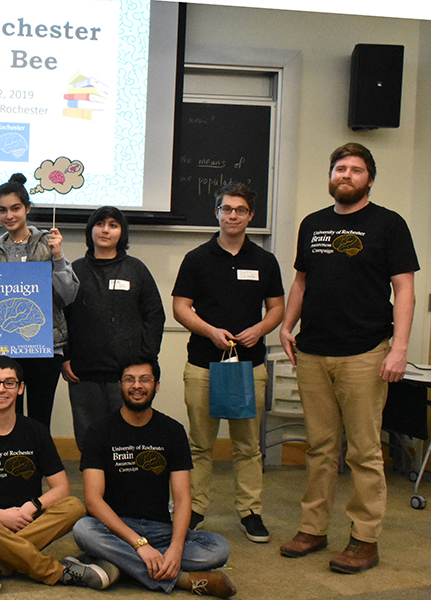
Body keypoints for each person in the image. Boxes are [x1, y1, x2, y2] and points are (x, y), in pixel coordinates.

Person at [278, 143, 419, 573]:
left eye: (356, 170)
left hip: (365, 352)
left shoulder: (389, 224)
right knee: (320, 447)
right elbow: (301, 282)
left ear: (369, 179)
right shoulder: (313, 224)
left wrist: (399, 349)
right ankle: (313, 528)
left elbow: (405, 290)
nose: (346, 175)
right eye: (340, 168)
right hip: (314, 351)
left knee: (362, 451)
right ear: (331, 175)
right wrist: (287, 325)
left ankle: (364, 539)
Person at [171, 182, 284, 541]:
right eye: (226, 209)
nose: (232, 215)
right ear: (216, 213)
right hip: (204, 364)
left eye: (240, 210)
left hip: (249, 367)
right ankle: (196, 509)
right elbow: (180, 307)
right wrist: (209, 331)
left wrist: (260, 329)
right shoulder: (196, 259)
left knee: (248, 447)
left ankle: (251, 512)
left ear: (251, 215)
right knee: (200, 445)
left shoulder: (264, 261)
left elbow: (277, 308)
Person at [71, 357, 237, 598]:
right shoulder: (98, 431)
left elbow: (182, 499)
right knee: (83, 529)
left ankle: (118, 563)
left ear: (156, 385)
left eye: (145, 379)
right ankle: (180, 579)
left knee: (219, 548)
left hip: (160, 530)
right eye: (129, 379)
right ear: (120, 385)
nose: (137, 385)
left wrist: (176, 549)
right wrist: (140, 545)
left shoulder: (172, 431)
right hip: (115, 528)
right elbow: (93, 501)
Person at [0, 355, 108, 592]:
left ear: (20, 388)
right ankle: (56, 572)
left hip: (26, 520)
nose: (1, 389)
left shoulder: (36, 432)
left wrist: (32, 506)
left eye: (9, 383)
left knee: (74, 505)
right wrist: (1, 516)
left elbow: (62, 489)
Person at [62, 206, 164, 449]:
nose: (105, 230)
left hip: (128, 376)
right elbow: (61, 318)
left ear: (122, 233)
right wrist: (63, 358)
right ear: (90, 230)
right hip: (83, 374)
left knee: (127, 442)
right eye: (99, 224)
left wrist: (146, 357)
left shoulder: (136, 269)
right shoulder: (74, 271)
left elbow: (155, 315)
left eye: (113, 225)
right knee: (89, 442)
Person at [0, 174, 79, 429]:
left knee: (38, 419)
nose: (9, 215)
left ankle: (36, 469)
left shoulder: (49, 243)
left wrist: (58, 257)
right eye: (2, 210)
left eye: (15, 208)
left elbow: (68, 296)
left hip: (45, 345)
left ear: (27, 208)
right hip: (4, 344)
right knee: (5, 417)